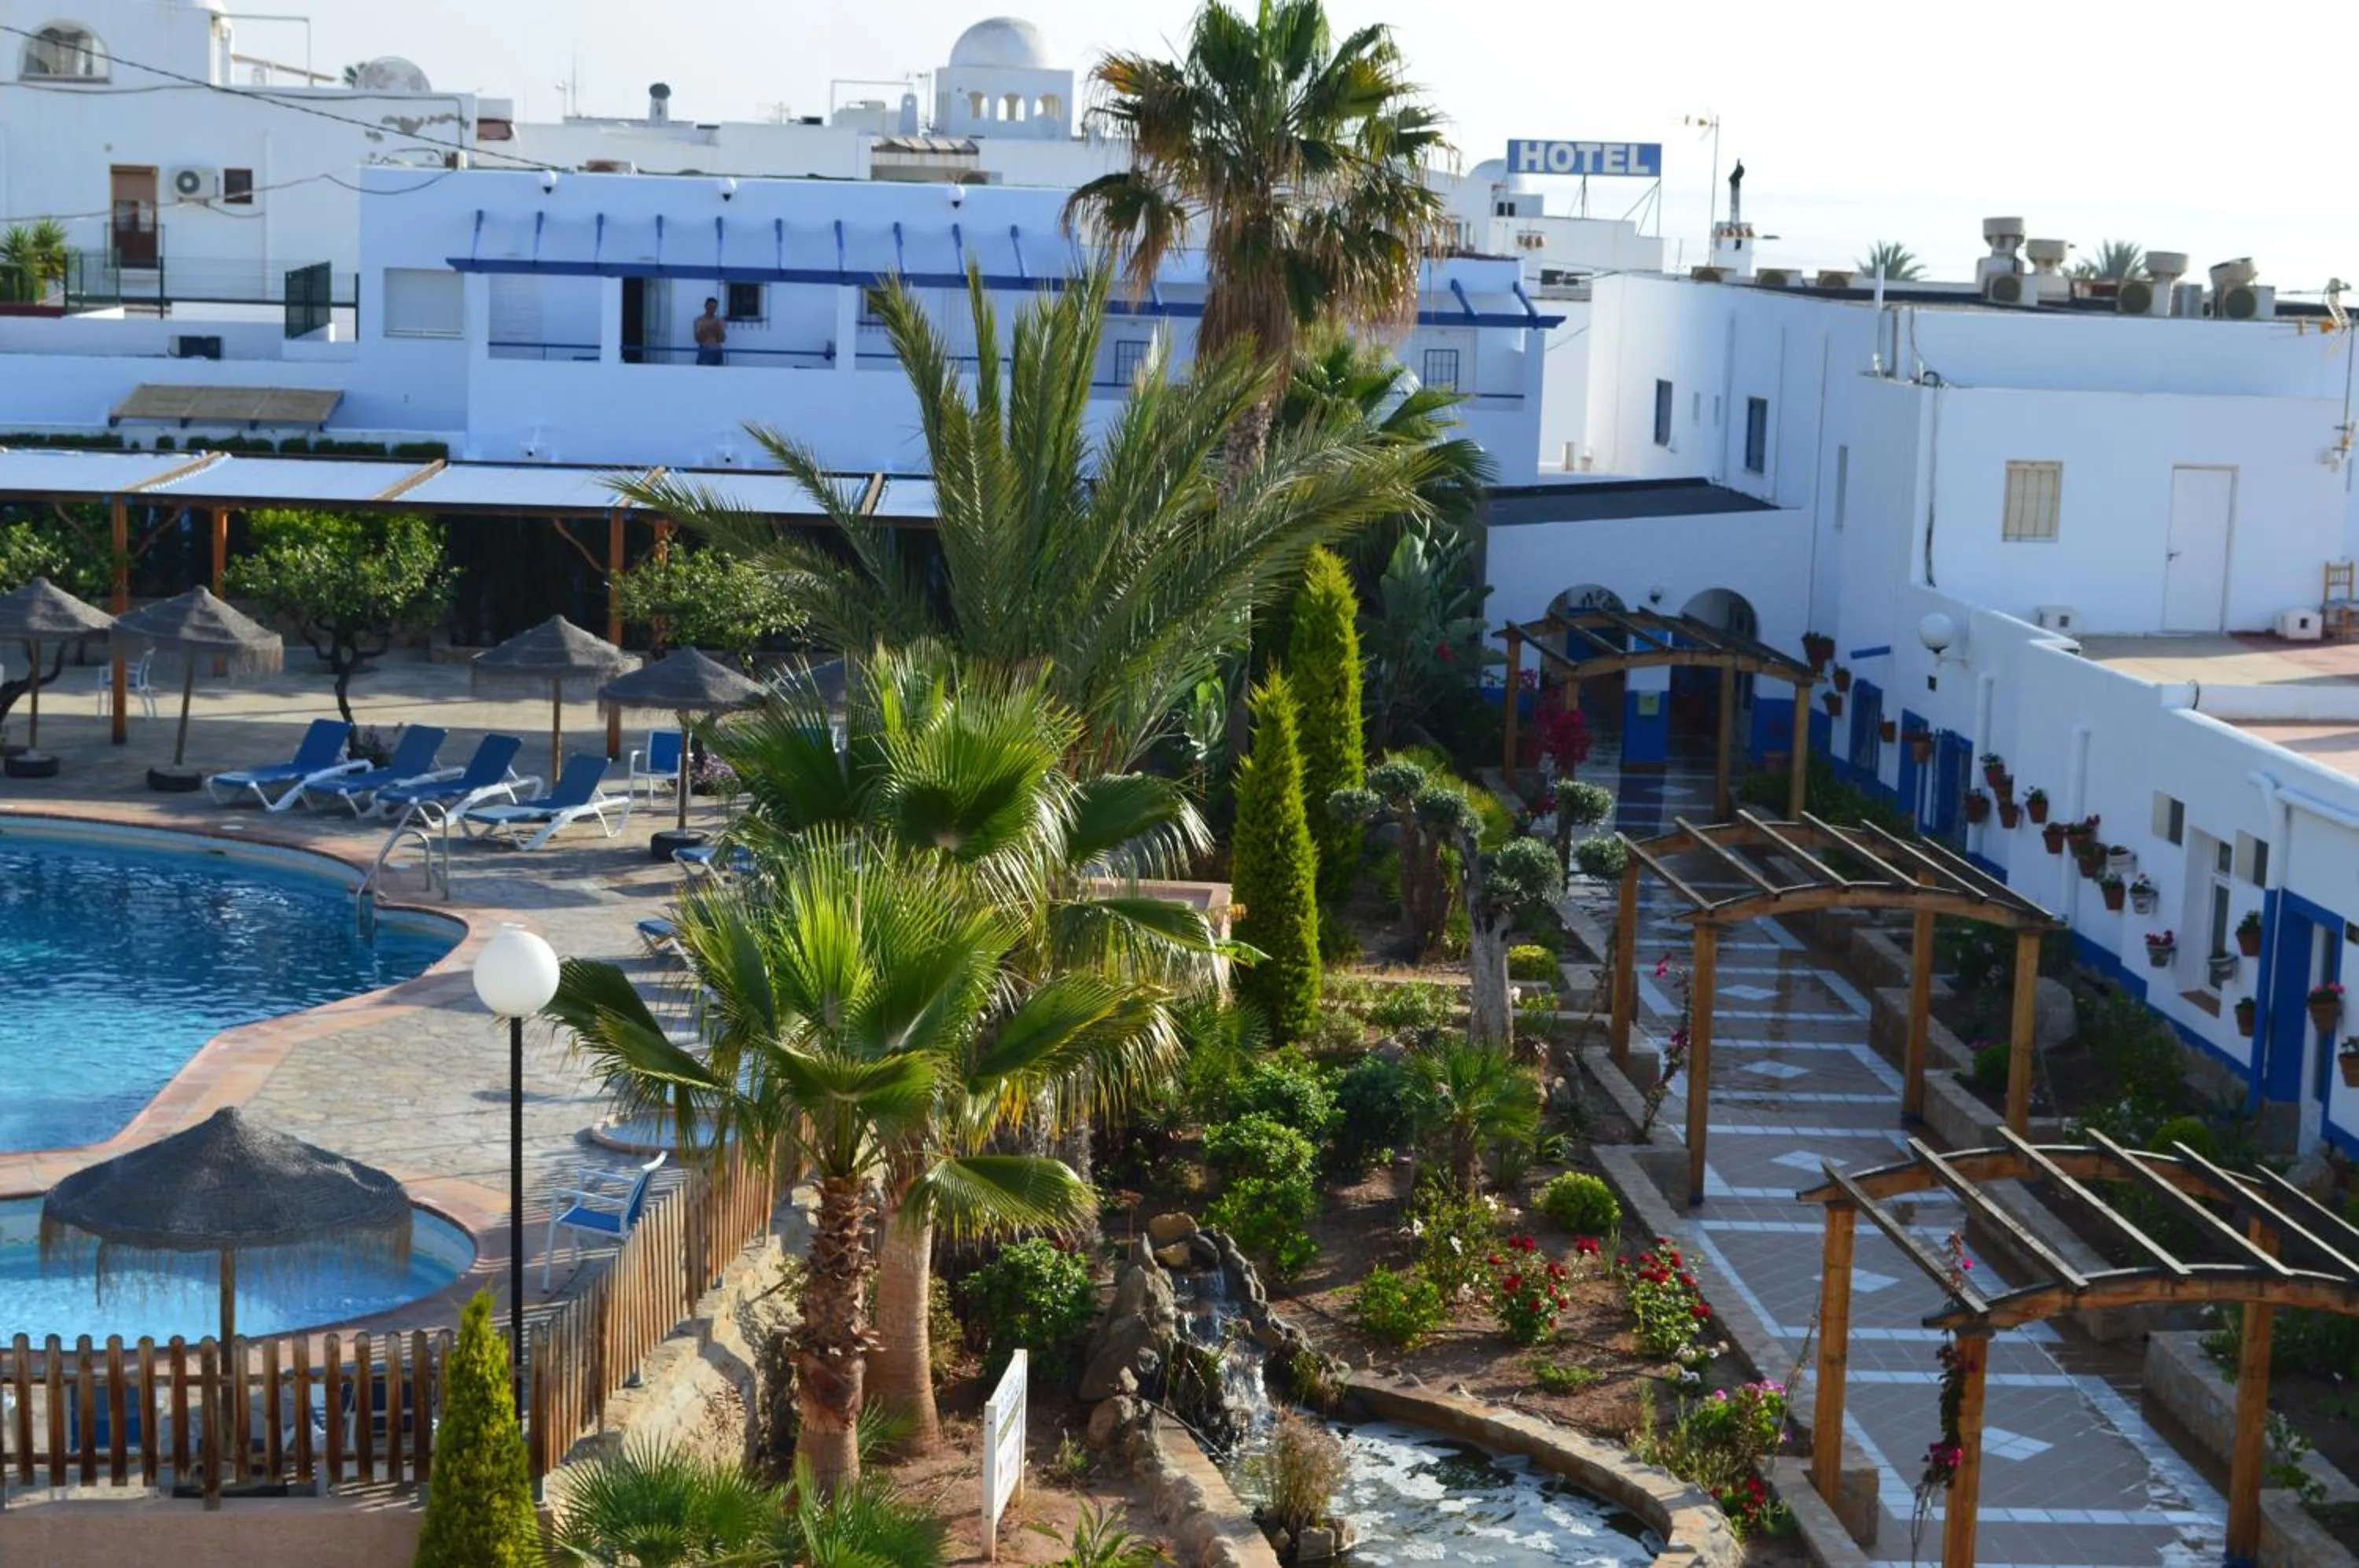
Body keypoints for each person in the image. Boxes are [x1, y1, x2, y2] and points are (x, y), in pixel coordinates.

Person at [694, 298, 726, 366]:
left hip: (717, 352)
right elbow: (698, 339)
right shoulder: (699, 321)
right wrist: (709, 329)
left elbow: (722, 339)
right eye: (710, 307)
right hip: (705, 352)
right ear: (705, 307)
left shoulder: (719, 321)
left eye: (714, 307)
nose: (712, 310)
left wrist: (718, 329)